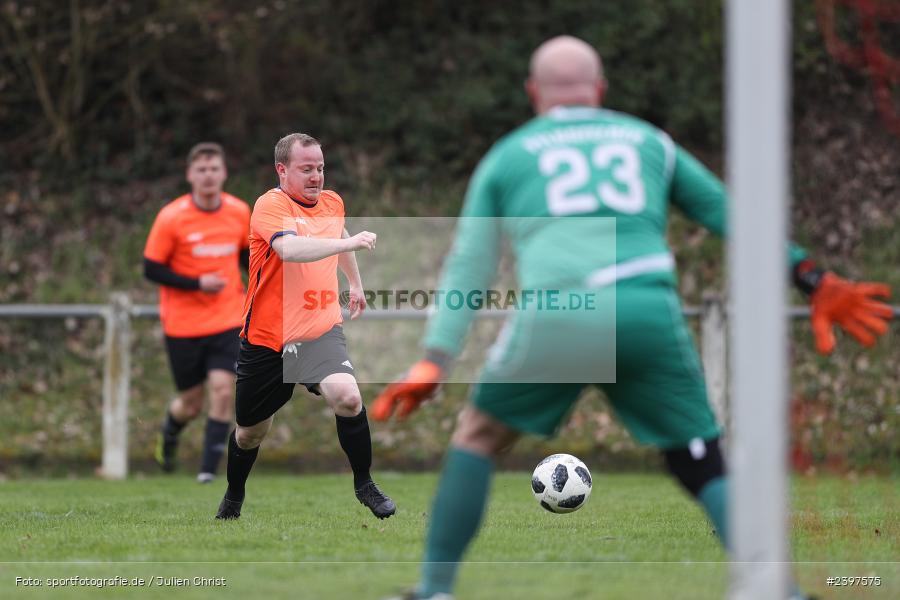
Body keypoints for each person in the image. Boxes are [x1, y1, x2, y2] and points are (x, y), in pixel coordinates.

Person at [371, 36, 893, 599]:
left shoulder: (510, 155)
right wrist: (808, 275)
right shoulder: (649, 142)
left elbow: (470, 264)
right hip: (645, 308)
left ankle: (435, 590)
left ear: (532, 94)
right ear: (599, 91)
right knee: (701, 455)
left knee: (477, 437)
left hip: (560, 312)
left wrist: (436, 357)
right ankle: (779, 592)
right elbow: (728, 213)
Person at [214, 132, 396, 520]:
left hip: (318, 331)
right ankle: (234, 494)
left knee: (348, 397)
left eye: (321, 168)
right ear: (282, 170)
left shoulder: (331, 202)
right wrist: (347, 246)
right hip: (267, 341)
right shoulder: (270, 205)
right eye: (307, 169)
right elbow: (290, 249)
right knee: (250, 433)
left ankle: (365, 483)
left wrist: (356, 284)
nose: (316, 176)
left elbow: (338, 232)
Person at [143, 142, 250, 484]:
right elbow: (151, 269)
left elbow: (248, 258)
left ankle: (207, 472)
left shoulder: (238, 211)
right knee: (190, 404)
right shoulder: (171, 217)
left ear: (224, 173)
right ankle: (170, 434)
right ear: (190, 175)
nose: (208, 175)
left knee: (222, 390)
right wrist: (196, 283)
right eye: (201, 170)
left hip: (228, 318)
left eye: (214, 169)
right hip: (183, 324)